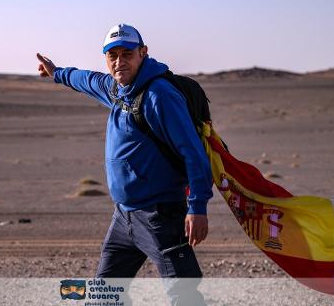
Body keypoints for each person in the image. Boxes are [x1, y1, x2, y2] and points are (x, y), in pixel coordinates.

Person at [36, 23, 213, 283]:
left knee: (184, 294)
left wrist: (198, 207)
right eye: (113, 55)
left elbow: (194, 153)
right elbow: (85, 80)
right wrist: (56, 73)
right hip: (123, 217)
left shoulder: (159, 96)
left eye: (127, 54)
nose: (119, 62)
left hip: (160, 216)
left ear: (143, 53)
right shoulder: (116, 89)